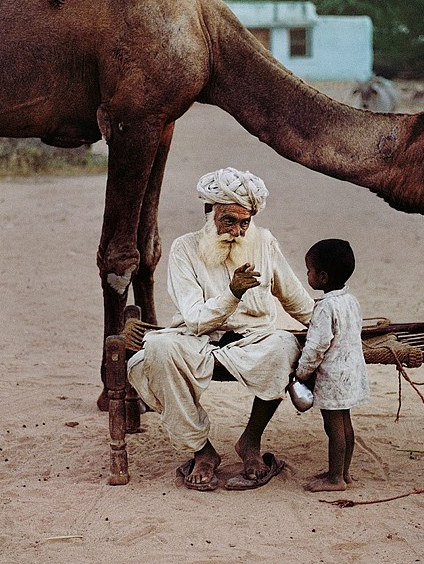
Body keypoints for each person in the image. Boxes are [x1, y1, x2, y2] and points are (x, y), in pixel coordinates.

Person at [127, 167, 314, 491]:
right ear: (208, 212)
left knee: (284, 347)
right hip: (197, 337)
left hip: (255, 338)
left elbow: (295, 297)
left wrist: (331, 325)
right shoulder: (184, 248)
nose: (237, 231)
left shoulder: (264, 242)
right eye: (228, 220)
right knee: (157, 350)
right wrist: (233, 293)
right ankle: (202, 451)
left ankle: (250, 443)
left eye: (245, 222)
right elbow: (196, 318)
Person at [293, 239, 370, 492]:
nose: (307, 275)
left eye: (309, 271)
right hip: (351, 371)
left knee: (333, 427)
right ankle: (343, 472)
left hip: (333, 376)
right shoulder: (350, 300)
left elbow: (317, 346)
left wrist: (302, 372)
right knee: (346, 424)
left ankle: (335, 479)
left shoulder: (325, 307)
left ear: (323, 277)